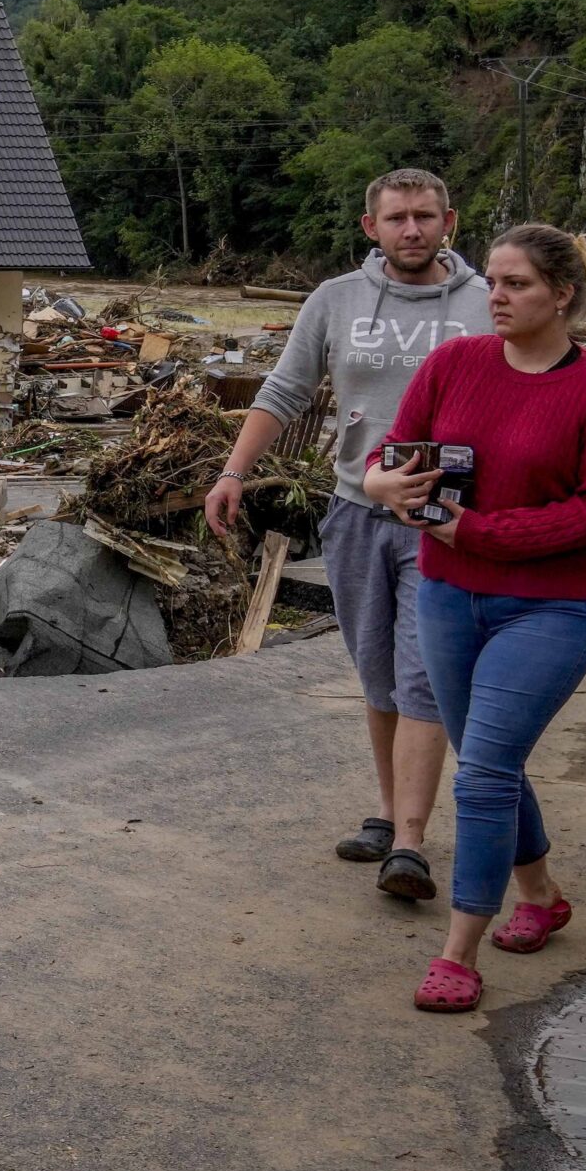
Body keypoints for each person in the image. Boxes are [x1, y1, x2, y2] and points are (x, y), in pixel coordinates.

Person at [363, 225, 586, 1013]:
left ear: (562, 294)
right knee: (496, 762)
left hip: (553, 608)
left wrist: (477, 532)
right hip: (448, 595)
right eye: (492, 281)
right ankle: (543, 895)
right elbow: (392, 454)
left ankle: (458, 953)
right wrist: (385, 485)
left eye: (516, 284)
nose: (496, 296)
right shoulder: (455, 364)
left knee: (482, 769)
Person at [207, 169, 486, 901]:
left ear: (449, 221)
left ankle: (412, 843)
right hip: (356, 511)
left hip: (445, 521)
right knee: (377, 673)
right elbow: (285, 391)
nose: (413, 230)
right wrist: (233, 472)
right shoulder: (336, 300)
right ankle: (388, 814)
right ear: (372, 227)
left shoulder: (487, 303)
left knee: (424, 674)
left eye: (426, 216)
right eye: (397, 218)